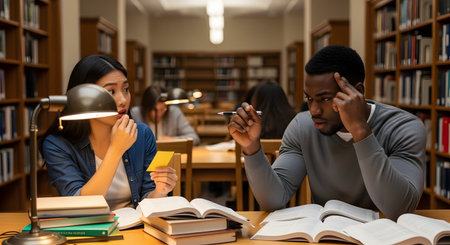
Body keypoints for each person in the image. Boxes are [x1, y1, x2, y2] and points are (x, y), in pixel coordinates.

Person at [228, 45, 426, 220]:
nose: (313, 110)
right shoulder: (303, 126)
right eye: (309, 99)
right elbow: (273, 199)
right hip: (326, 237)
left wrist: (360, 131)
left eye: (324, 99)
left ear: (356, 92)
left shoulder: (403, 128)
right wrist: (251, 147)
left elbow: (399, 208)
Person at [41, 54, 177, 211]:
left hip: (134, 229)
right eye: (111, 92)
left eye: (125, 89)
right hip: (87, 231)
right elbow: (78, 205)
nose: (123, 100)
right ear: (84, 97)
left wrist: (160, 191)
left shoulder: (142, 134)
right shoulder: (57, 144)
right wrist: (116, 150)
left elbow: (147, 199)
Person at [130, 85, 200, 145]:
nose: (161, 113)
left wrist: (172, 140)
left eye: (163, 109)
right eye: (156, 110)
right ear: (146, 109)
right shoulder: (136, 114)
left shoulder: (174, 112)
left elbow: (194, 138)